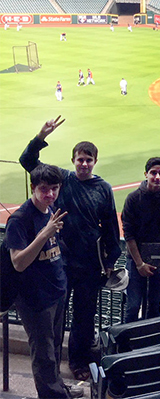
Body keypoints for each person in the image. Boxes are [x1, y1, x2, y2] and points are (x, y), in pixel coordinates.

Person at [19, 116, 121, 382]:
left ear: (94, 162)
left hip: (89, 265)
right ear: (73, 160)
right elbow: (27, 162)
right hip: (60, 261)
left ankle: (78, 362)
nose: (84, 164)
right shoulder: (61, 179)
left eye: (89, 160)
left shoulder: (103, 189)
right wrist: (41, 136)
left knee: (84, 319)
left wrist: (110, 260)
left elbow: (111, 227)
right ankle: (52, 364)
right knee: (56, 317)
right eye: (80, 159)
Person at [5, 164, 79, 398]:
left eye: (54, 189)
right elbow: (18, 262)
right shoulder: (19, 220)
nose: (50, 194)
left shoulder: (51, 210)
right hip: (34, 299)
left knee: (55, 347)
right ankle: (52, 395)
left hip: (57, 291)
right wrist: (44, 234)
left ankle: (58, 389)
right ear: (33, 188)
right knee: (44, 353)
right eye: (44, 189)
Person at [121, 158, 160, 322]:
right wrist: (140, 264)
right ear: (146, 174)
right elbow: (129, 235)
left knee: (154, 305)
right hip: (135, 261)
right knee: (133, 306)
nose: (157, 177)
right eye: (153, 172)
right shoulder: (133, 199)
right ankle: (128, 342)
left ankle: (149, 340)